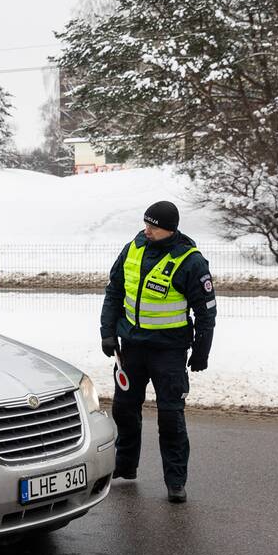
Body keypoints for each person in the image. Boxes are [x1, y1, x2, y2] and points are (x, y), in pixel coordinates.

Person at [100, 201, 216, 503]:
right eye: (146, 223)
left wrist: (202, 351)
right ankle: (125, 466)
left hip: (170, 352)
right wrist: (108, 334)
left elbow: (206, 312)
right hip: (132, 348)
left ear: (170, 229)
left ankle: (175, 481)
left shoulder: (190, 261)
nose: (146, 229)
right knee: (124, 409)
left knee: (170, 416)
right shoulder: (132, 249)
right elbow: (114, 292)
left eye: (154, 226)